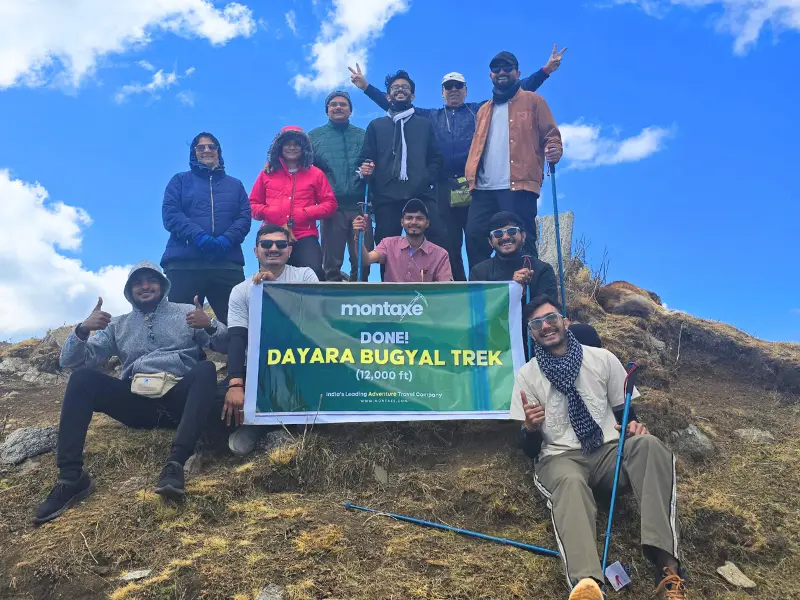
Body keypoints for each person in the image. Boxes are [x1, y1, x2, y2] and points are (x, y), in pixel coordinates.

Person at [510, 295, 687, 600]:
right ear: (531, 332)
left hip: (607, 451)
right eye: (537, 323)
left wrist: (634, 426)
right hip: (559, 457)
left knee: (650, 446)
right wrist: (530, 428)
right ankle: (587, 585)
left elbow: (624, 411)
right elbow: (529, 450)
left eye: (551, 318)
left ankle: (668, 569)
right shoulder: (527, 374)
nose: (546, 326)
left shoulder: (602, 359)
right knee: (570, 483)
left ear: (565, 321)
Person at [33, 261, 229, 524]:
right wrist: (82, 329)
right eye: (138, 282)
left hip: (179, 399)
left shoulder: (186, 313)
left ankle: (175, 464)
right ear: (129, 289)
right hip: (136, 401)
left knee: (205, 369)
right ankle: (71, 478)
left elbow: (227, 346)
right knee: (82, 379)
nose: (145, 286)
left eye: (151, 280)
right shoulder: (117, 324)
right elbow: (70, 362)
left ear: (163, 285)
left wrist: (210, 325)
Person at [350, 45, 567, 280]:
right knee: (448, 241)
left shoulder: (480, 110)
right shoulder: (430, 116)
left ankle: (484, 284)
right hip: (444, 185)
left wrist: (545, 71)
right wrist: (365, 87)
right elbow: (396, 104)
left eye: (458, 86)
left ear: (466, 90)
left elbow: (516, 90)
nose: (453, 90)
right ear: (442, 92)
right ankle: (457, 287)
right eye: (448, 87)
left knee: (478, 237)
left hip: (473, 185)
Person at [225, 224, 319, 456]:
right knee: (217, 398)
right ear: (256, 251)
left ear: (290, 250)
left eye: (281, 244)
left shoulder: (305, 275)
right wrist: (235, 383)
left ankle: (276, 426)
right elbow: (237, 337)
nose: (273, 248)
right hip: (259, 367)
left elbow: (313, 319)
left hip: (301, 359)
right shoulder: (240, 290)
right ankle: (255, 425)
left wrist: (274, 290)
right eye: (266, 244)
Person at [465, 51, 563, 268]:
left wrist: (554, 149)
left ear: (517, 73)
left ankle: (529, 295)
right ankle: (484, 295)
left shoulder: (534, 101)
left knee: (522, 241)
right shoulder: (483, 110)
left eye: (507, 68)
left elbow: (551, 134)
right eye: (496, 69)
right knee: (474, 237)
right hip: (483, 187)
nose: (501, 72)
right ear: (490, 75)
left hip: (518, 184)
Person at [469, 211, 601, 357]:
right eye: (498, 234)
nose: (505, 237)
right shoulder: (479, 272)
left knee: (586, 334)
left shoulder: (542, 269)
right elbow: (478, 313)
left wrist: (522, 293)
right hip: (496, 336)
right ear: (490, 241)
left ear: (523, 236)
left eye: (512, 231)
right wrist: (511, 291)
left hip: (534, 335)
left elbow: (547, 311)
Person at [357, 70, 447, 279]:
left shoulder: (424, 124)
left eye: (405, 88)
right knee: (386, 249)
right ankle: (390, 293)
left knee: (440, 237)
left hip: (420, 195)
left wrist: (425, 178)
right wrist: (365, 169)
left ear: (412, 96)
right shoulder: (376, 126)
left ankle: (439, 288)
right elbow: (364, 159)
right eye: (395, 88)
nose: (400, 91)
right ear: (388, 96)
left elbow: (436, 158)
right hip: (386, 197)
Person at [161, 132, 252, 325]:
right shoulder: (179, 181)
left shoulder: (235, 185)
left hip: (226, 264)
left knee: (238, 324)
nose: (207, 150)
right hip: (184, 264)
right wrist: (199, 236)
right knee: (181, 325)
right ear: (193, 153)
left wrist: (227, 240)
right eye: (200, 147)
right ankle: (191, 357)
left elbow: (244, 218)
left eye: (211, 146)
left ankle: (239, 356)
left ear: (219, 152)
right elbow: (171, 215)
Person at [249, 126, 337, 281]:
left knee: (314, 273)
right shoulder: (267, 173)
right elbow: (252, 205)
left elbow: (330, 204)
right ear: (279, 147)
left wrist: (305, 213)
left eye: (297, 144)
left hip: (304, 234)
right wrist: (272, 212)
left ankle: (313, 306)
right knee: (269, 279)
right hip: (272, 235)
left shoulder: (315, 173)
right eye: (287, 143)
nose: (292, 147)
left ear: (304, 148)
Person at [308, 91, 372, 282]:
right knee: (331, 262)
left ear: (350, 110)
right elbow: (300, 164)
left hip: (360, 206)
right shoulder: (314, 137)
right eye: (333, 104)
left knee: (362, 261)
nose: (338, 107)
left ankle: (360, 300)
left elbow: (378, 161)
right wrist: (272, 162)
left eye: (343, 104)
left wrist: (372, 169)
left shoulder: (364, 135)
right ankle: (332, 301)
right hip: (331, 208)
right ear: (327, 110)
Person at [352, 198, 452, 283]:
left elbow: (446, 291)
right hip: (393, 305)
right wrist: (358, 236)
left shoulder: (440, 255)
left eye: (419, 218)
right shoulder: (388, 244)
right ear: (402, 222)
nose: (414, 222)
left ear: (427, 223)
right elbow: (365, 260)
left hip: (424, 305)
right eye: (409, 218)